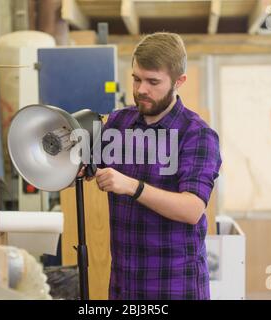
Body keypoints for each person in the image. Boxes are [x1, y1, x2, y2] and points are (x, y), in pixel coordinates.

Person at [82, 32, 222, 300]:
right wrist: (73, 164)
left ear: (179, 81)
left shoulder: (197, 134)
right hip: (125, 284)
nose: (141, 89)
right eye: (136, 78)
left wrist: (131, 186)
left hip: (174, 285)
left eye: (153, 81)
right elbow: (84, 167)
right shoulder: (118, 123)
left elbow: (192, 208)